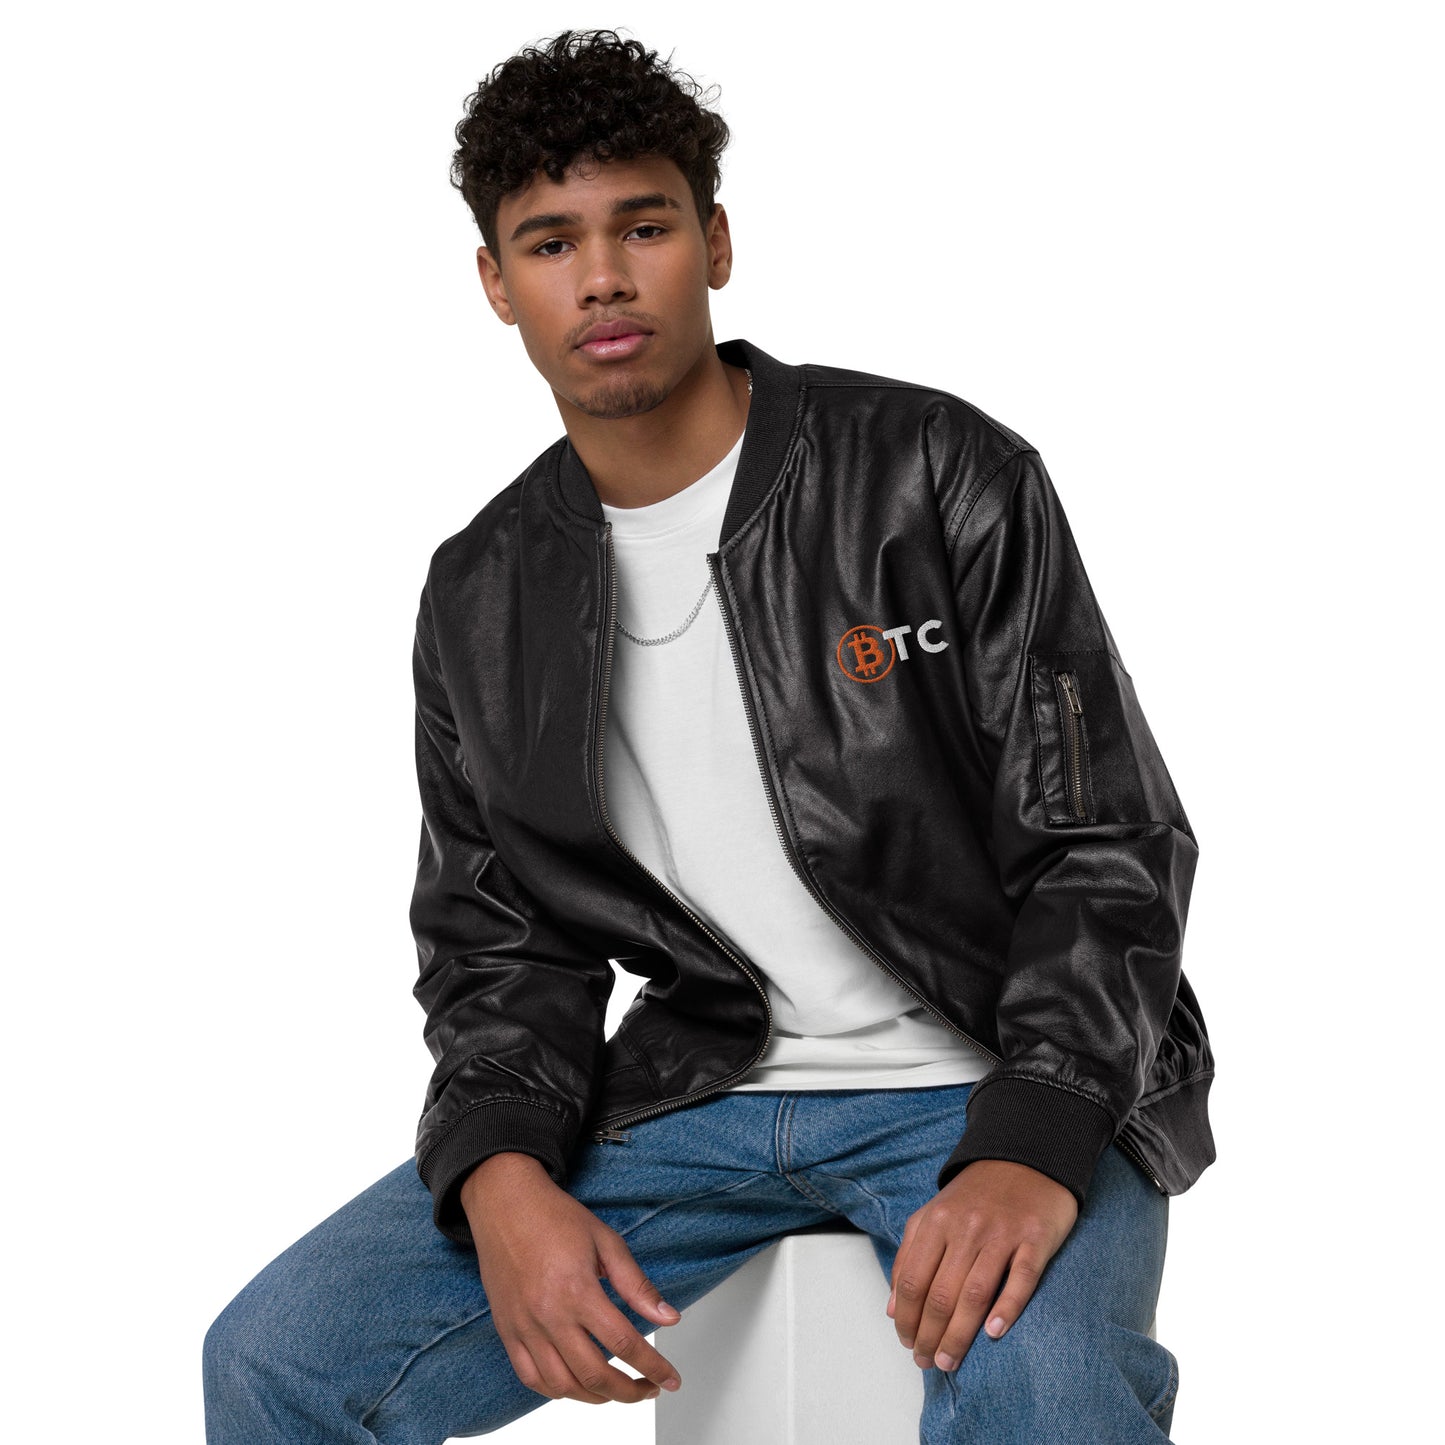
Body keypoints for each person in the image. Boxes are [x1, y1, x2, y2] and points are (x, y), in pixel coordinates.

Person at [202, 28, 1216, 1444]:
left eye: (644, 226)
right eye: (550, 243)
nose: (602, 278)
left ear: (714, 243)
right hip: (697, 1097)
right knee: (278, 1361)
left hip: (993, 1069)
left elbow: (1101, 841)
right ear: (495, 284)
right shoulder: (483, 588)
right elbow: (499, 942)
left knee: (1045, 1390)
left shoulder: (933, 472)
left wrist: (1038, 1136)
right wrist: (499, 1172)